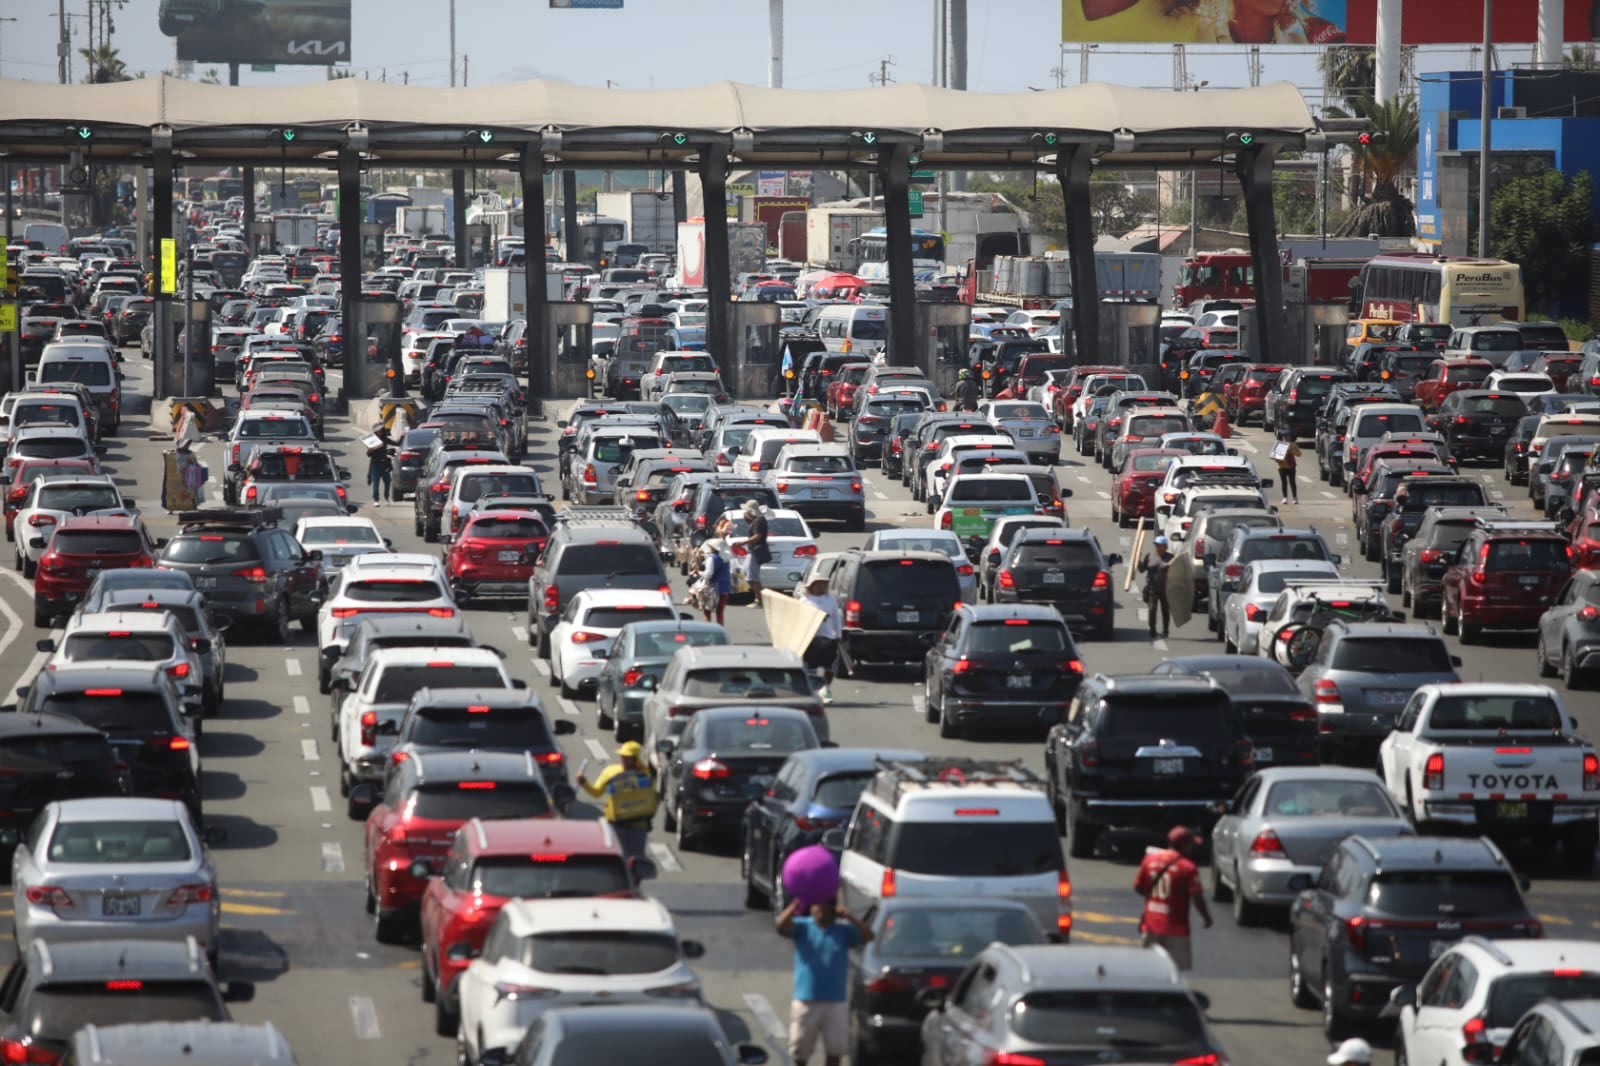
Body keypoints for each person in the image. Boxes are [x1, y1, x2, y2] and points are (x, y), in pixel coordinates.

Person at [776, 896, 873, 1066]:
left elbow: (868, 936)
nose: (820, 908)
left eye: (825, 905)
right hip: (806, 1001)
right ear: (811, 908)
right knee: (800, 1053)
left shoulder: (843, 931)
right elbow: (781, 924)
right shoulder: (803, 926)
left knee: (835, 1052)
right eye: (817, 904)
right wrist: (794, 906)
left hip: (835, 1002)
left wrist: (850, 917)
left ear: (833, 908)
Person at [1133, 825, 1213, 972]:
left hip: (1150, 926)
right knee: (1174, 971)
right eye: (1190, 844)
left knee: (1149, 970)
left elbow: (1138, 887)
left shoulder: (1149, 860)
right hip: (1176, 929)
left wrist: (1153, 899)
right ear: (1184, 845)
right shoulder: (1188, 867)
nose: (1192, 848)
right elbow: (1197, 897)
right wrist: (1206, 917)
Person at [575, 740, 658, 862]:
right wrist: (584, 782)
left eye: (627, 757)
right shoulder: (610, 772)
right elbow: (596, 792)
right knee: (619, 859)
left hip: (639, 825)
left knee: (638, 859)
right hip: (617, 825)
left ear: (636, 759)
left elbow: (652, 799)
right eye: (622, 756)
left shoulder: (646, 775)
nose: (623, 759)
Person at [798, 575, 843, 704]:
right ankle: (811, 692)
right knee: (810, 668)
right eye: (817, 583)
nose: (820, 586)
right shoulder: (804, 601)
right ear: (811, 585)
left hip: (828, 638)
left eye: (823, 584)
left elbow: (836, 618)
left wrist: (838, 634)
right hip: (811, 639)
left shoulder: (830, 599)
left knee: (830, 668)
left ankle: (825, 689)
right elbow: (799, 620)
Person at [1138, 534, 1175, 639]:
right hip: (1152, 588)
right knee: (1152, 609)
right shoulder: (1149, 556)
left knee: (1165, 610)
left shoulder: (1171, 558)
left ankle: (1165, 630)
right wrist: (1138, 560)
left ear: (1165, 546)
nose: (1157, 547)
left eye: (1160, 545)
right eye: (1156, 545)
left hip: (1166, 588)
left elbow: (1177, 572)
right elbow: (1141, 569)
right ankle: (1152, 630)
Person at [739, 499, 772, 607]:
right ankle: (759, 598)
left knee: (752, 577)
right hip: (753, 551)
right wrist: (747, 519)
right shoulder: (757, 521)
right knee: (746, 573)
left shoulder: (758, 521)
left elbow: (757, 536)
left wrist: (742, 543)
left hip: (755, 551)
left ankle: (760, 600)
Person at [697, 538, 733, 625]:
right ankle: (720, 628)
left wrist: (699, 572)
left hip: (712, 588)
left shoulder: (712, 558)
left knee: (707, 610)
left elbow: (708, 574)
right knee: (720, 611)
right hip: (725, 587)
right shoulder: (726, 558)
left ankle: (708, 629)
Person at [366, 423, 395, 503]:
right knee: (376, 483)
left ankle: (386, 498)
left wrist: (403, 436)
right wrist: (372, 449)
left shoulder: (385, 439)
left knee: (387, 482)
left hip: (384, 464)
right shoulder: (372, 440)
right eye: (378, 430)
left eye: (381, 430)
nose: (380, 432)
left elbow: (397, 443)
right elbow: (368, 454)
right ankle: (376, 500)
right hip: (375, 464)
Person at [1274, 429, 1302, 503]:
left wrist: (1291, 451)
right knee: (1284, 482)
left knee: (1292, 482)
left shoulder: (1293, 444)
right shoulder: (1279, 445)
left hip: (1291, 466)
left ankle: (1294, 497)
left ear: (1290, 437)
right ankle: (1285, 497)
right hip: (1282, 466)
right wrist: (1278, 458)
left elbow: (1299, 454)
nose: (1286, 438)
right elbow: (1275, 456)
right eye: (1284, 436)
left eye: (1287, 436)